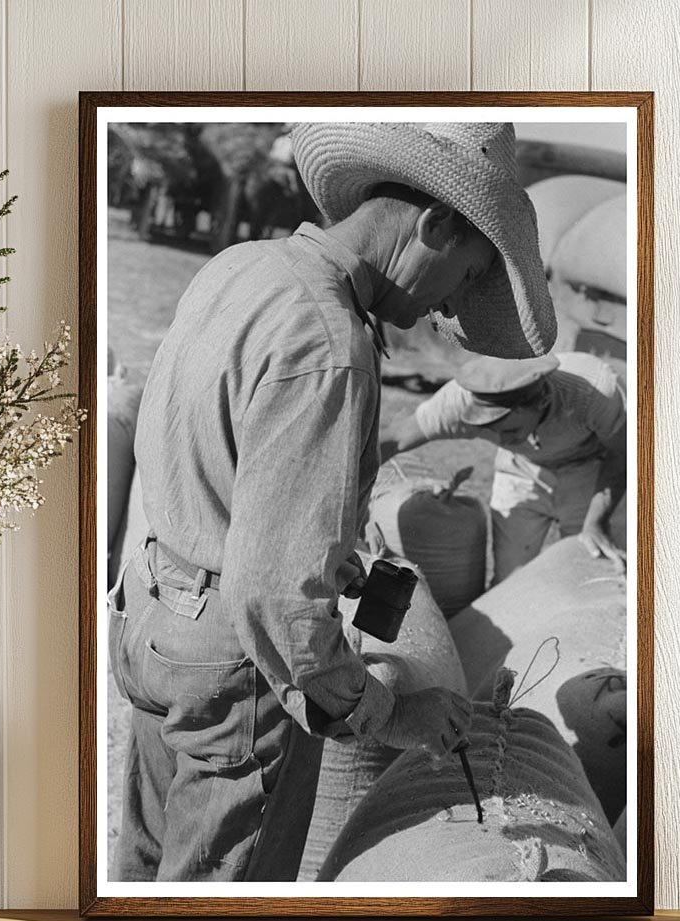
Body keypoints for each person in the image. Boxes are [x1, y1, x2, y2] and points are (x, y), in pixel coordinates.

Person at [108, 122, 557, 882]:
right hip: (233, 668)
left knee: (145, 869)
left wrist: (325, 547)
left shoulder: (240, 266)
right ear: (435, 225)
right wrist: (391, 712)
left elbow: (200, 449)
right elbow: (275, 594)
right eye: (470, 274)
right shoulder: (329, 345)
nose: (454, 306)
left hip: (153, 615)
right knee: (218, 909)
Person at [379, 350, 626, 582]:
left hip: (591, 472)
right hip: (520, 469)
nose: (501, 439)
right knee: (510, 577)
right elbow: (394, 439)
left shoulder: (595, 391)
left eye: (510, 430)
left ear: (540, 402)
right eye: (491, 430)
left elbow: (623, 452)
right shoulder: (460, 401)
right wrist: (358, 505)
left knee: (588, 568)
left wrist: (596, 522)